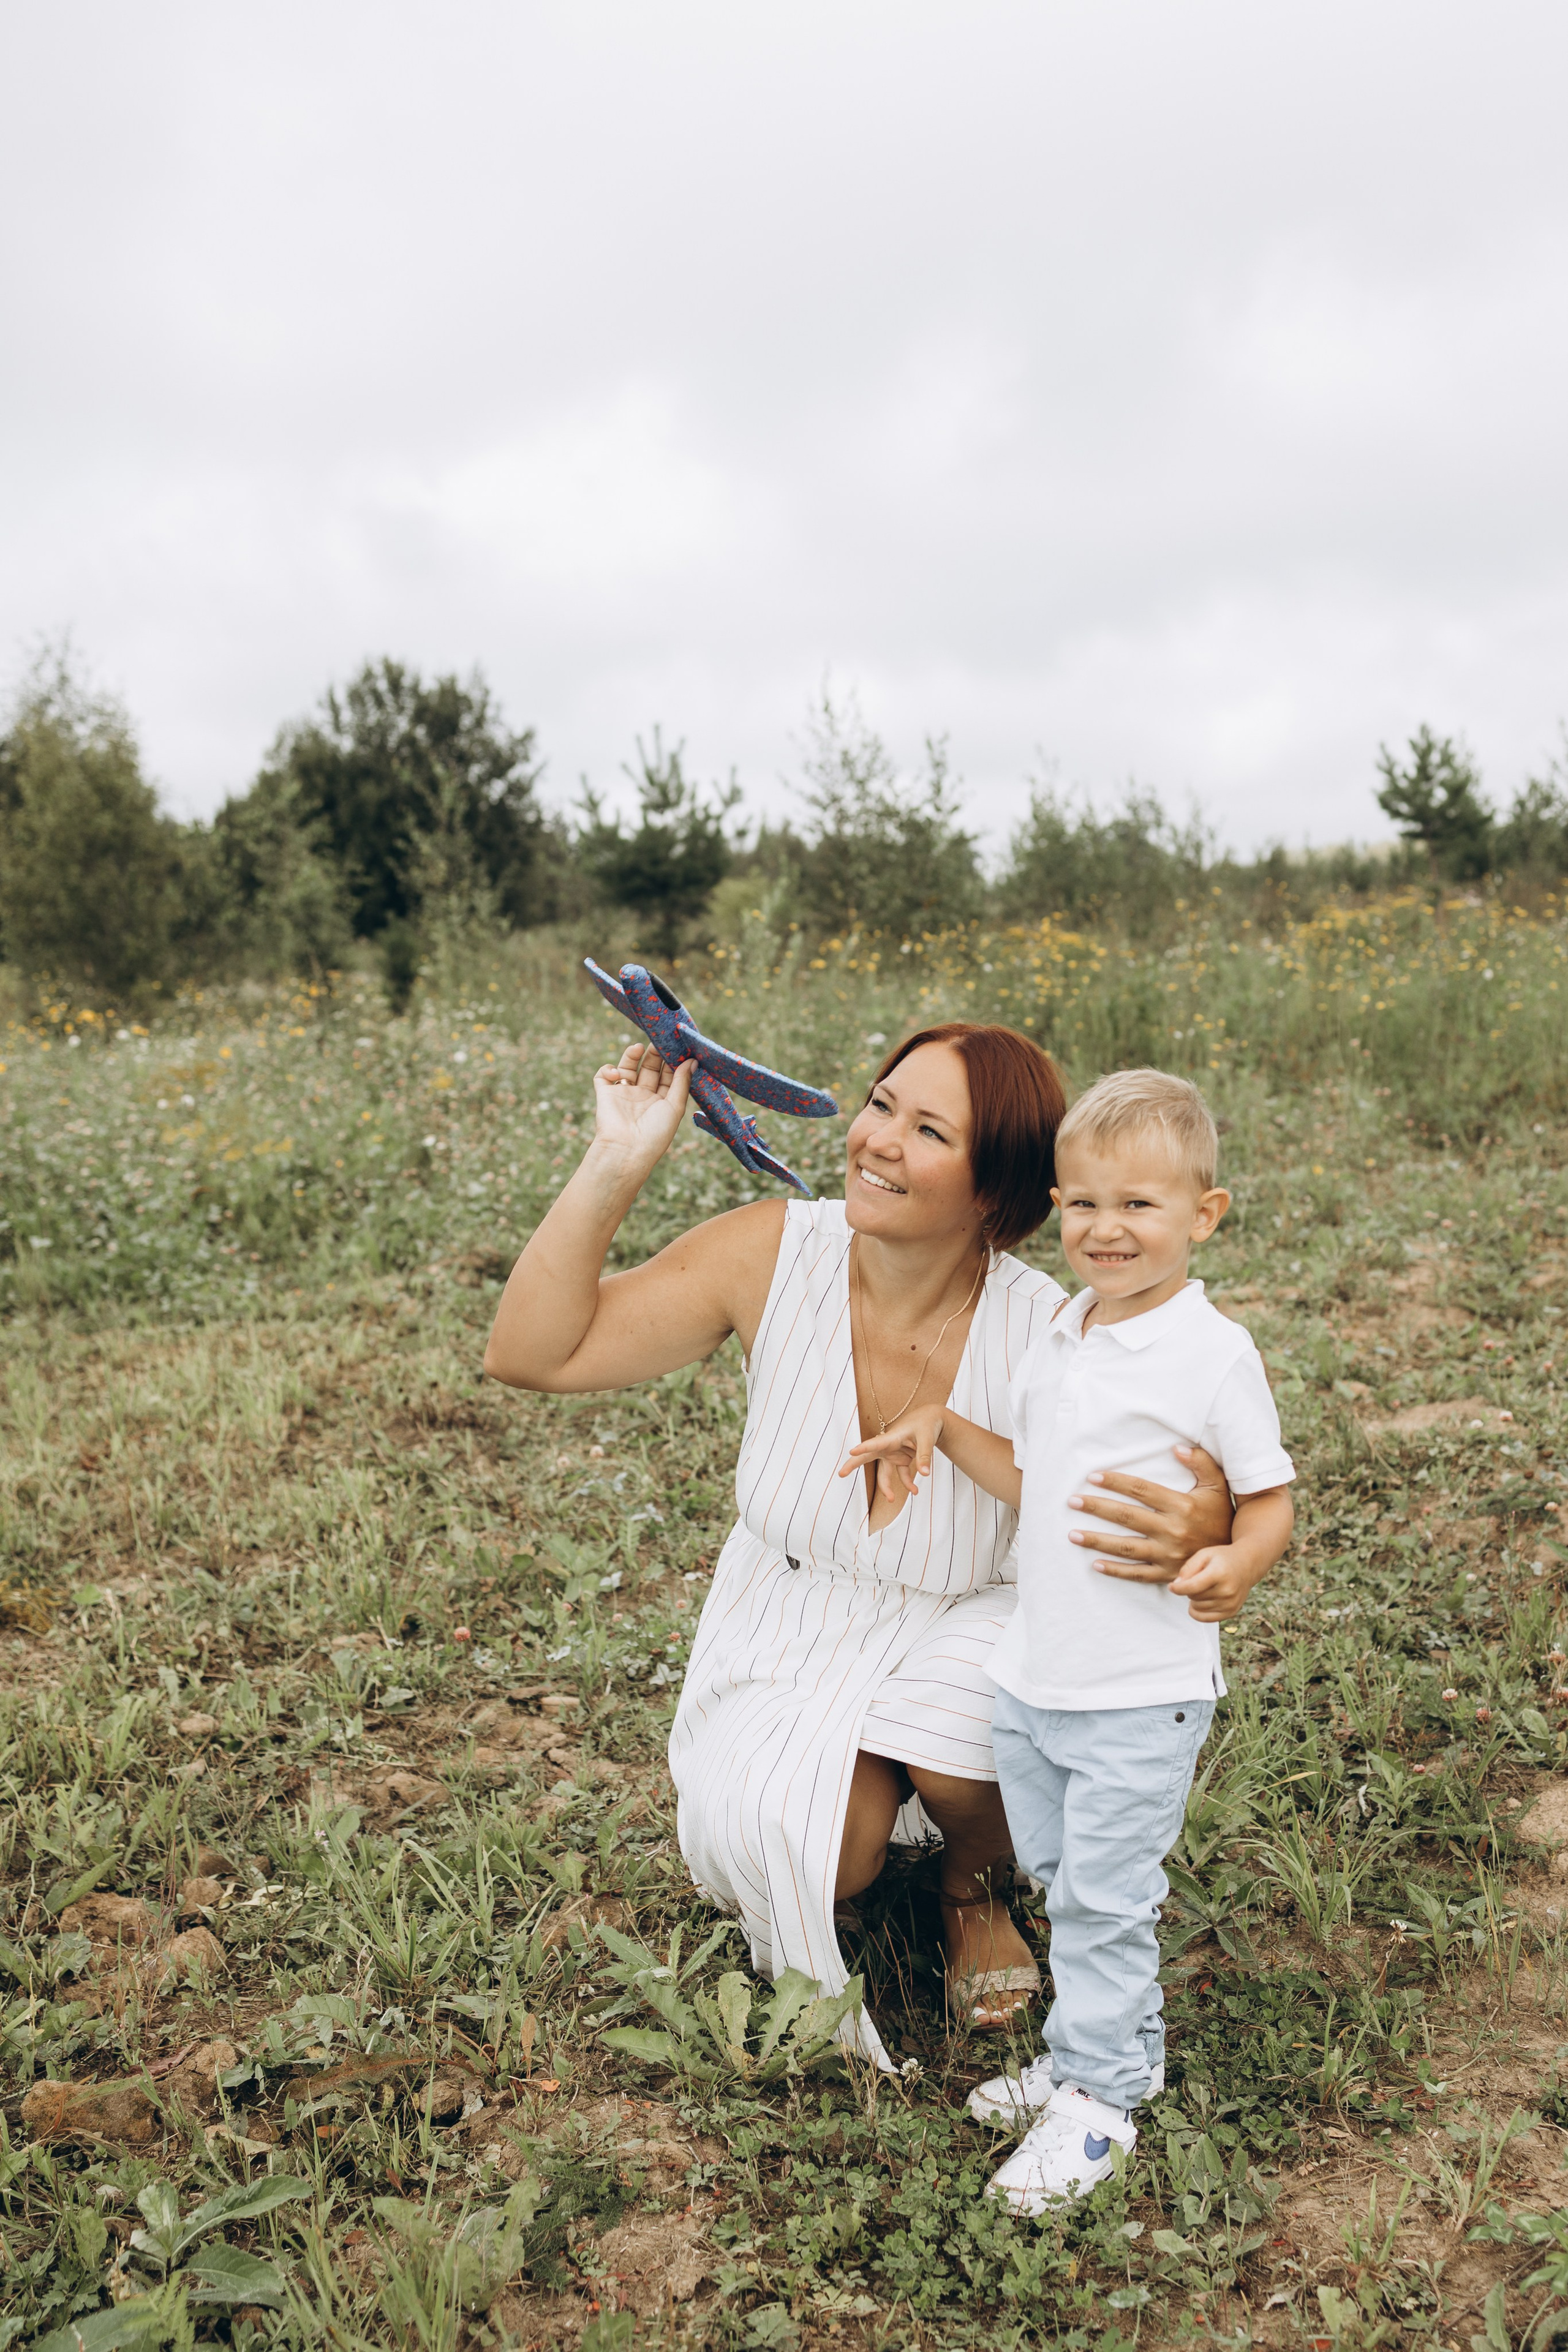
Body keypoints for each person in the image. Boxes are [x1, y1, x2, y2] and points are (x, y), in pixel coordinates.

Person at [484, 1021, 1241, 2070]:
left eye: (929, 1129)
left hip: (971, 1615)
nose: (878, 1140)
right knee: (825, 1855)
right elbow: (531, 1354)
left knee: (977, 1736)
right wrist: (617, 1155)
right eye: (882, 1104)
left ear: (994, 1190)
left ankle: (973, 1884)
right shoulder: (769, 1252)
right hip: (790, 1623)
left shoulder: (1052, 1331)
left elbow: (1171, 1493)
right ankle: (867, 1788)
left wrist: (1206, 1530)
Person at [844, 1067, 1295, 2187]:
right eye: (1084, 1202)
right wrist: (942, 1426)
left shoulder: (1211, 1353)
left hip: (1138, 1687)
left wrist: (1239, 1558)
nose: (1107, 1228)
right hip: (1038, 1679)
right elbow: (1034, 1474)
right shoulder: (1063, 1327)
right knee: (1054, 1873)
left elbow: (1270, 1496)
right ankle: (1090, 2052)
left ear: (1205, 1215)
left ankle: (1102, 2102)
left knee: (1104, 1898)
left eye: (1140, 1205)